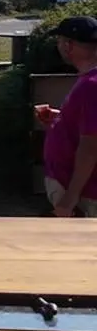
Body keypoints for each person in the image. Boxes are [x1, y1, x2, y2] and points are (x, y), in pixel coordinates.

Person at [36, 16, 97, 217]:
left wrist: (69, 199)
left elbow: (91, 146)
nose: (59, 46)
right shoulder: (88, 80)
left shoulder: (91, 86)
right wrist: (61, 118)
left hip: (85, 196)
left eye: (60, 41)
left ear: (69, 45)